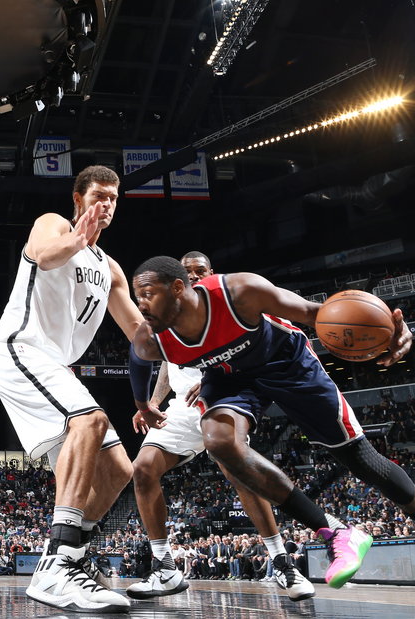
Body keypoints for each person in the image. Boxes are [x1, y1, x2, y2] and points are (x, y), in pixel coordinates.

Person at [129, 256, 415, 612]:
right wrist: (144, 404)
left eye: (146, 293)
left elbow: (319, 313)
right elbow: (138, 363)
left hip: (289, 364)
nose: (140, 304)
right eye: (136, 295)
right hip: (230, 378)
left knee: (359, 460)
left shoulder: (239, 291)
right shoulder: (151, 337)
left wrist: (390, 331)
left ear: (178, 288)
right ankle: (334, 531)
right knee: (220, 443)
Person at [0, 165, 142, 612]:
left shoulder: (110, 269)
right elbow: (41, 253)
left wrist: (193, 345)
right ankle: (59, 565)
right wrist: (79, 237)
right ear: (79, 199)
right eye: (99, 195)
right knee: (90, 419)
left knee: (118, 471)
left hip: (55, 365)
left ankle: (65, 560)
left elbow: (138, 333)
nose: (106, 204)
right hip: (20, 351)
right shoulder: (53, 224)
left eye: (114, 198)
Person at [127, 252, 313, 602]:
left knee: (238, 473)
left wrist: (213, 377)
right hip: (181, 405)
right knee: (143, 469)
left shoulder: (225, 304)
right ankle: (164, 566)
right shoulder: (168, 313)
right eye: (188, 271)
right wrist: (150, 402)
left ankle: (283, 564)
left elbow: (251, 350)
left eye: (201, 271)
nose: (195, 275)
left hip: (221, 398)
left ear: (211, 274)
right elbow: (166, 365)